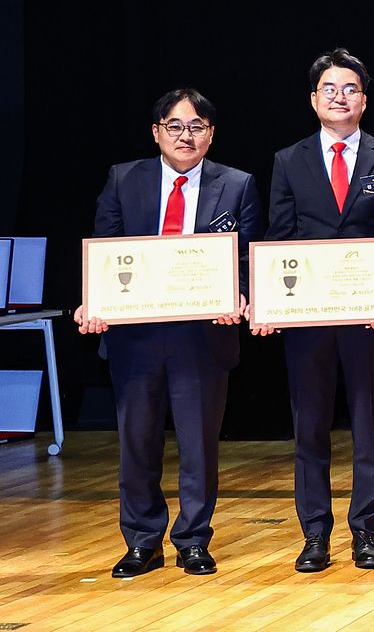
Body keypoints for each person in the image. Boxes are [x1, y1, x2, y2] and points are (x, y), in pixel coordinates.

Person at [81, 88, 260, 578]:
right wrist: (94, 302)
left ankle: (193, 539)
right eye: (176, 126)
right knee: (137, 443)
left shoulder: (238, 184)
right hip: (135, 336)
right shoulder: (124, 179)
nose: (186, 135)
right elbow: (104, 247)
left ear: (211, 135)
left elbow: (244, 260)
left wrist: (241, 296)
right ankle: (142, 540)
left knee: (199, 444)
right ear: (157, 132)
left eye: (197, 126)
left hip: (203, 335)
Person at [260, 47, 374, 573]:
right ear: (313, 100)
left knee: (370, 427)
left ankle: (366, 531)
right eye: (330, 89)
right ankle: (315, 534)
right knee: (310, 427)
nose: (340, 97)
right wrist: (276, 301)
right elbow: (279, 237)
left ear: (364, 101)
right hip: (308, 320)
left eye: (350, 89)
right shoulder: (288, 160)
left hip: (370, 319)